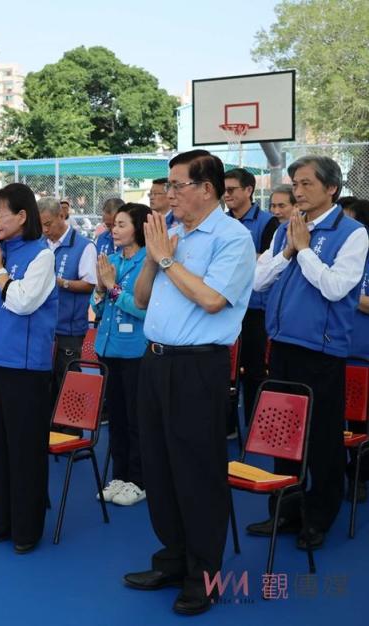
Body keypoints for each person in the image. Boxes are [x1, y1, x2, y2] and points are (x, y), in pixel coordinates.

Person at [125, 150, 256, 616]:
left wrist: (165, 261)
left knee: (197, 473)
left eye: (178, 185)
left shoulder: (233, 239)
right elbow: (140, 300)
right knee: (159, 469)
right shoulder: (170, 234)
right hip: (155, 362)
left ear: (207, 189)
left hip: (198, 367)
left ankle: (206, 577)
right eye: (168, 184)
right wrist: (152, 256)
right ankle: (173, 559)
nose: (168, 193)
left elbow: (213, 300)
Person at [250, 156, 369, 550]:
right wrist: (287, 250)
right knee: (283, 436)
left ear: (331, 188)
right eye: (294, 184)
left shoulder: (352, 233)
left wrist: (303, 250)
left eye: (305, 184)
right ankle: (286, 510)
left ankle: (318, 518)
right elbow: (257, 280)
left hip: (321, 352)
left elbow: (336, 288)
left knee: (321, 440)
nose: (297, 191)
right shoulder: (286, 229)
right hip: (281, 345)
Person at [0, 183, 58, 554]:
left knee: (26, 449)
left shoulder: (41, 255)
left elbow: (21, 302)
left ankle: (27, 528)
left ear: (22, 216)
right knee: (1, 448)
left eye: (1, 213)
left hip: (25, 367)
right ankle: (1, 520)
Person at [92, 203, 151, 507]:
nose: (114, 230)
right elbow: (99, 306)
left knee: (135, 418)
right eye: (113, 224)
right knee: (114, 416)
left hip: (135, 351)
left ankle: (139, 480)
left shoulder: (146, 263)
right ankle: (119, 474)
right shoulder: (110, 260)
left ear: (138, 228)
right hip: (108, 347)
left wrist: (112, 288)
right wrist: (101, 292)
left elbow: (141, 307)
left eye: (122, 224)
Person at [223, 168, 279, 433]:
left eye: (232, 189)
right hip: (225, 306)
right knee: (224, 369)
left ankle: (258, 427)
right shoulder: (221, 221)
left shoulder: (268, 223)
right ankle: (228, 424)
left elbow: (270, 261)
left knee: (255, 372)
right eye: (224, 189)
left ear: (248, 190)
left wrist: (236, 256)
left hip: (255, 309)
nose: (226, 194)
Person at [38, 197, 97, 398]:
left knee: (67, 387)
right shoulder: (39, 244)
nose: (45, 230)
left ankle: (71, 430)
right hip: (42, 326)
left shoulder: (84, 246)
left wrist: (60, 282)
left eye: (48, 224)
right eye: (40, 225)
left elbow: (90, 284)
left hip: (68, 329)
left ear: (62, 216)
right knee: (44, 387)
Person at [344, 199, 369, 503]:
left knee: (361, 423)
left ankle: (360, 477)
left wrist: (344, 292)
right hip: (335, 353)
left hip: (364, 357)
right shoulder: (344, 258)